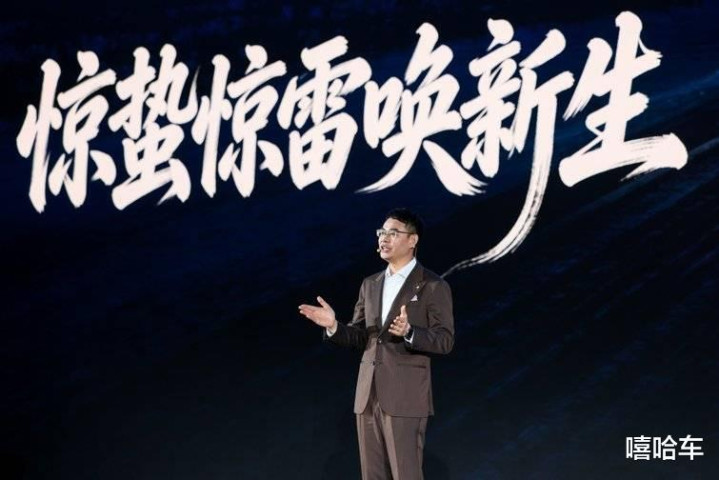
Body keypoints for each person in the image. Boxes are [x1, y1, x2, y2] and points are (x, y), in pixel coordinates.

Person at [299, 208, 455, 480]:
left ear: (412, 240)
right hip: (368, 395)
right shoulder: (370, 284)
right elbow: (361, 337)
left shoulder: (432, 285)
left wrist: (410, 332)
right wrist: (333, 326)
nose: (384, 238)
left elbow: (445, 340)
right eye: (382, 232)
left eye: (393, 233)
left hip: (405, 396)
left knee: (405, 474)